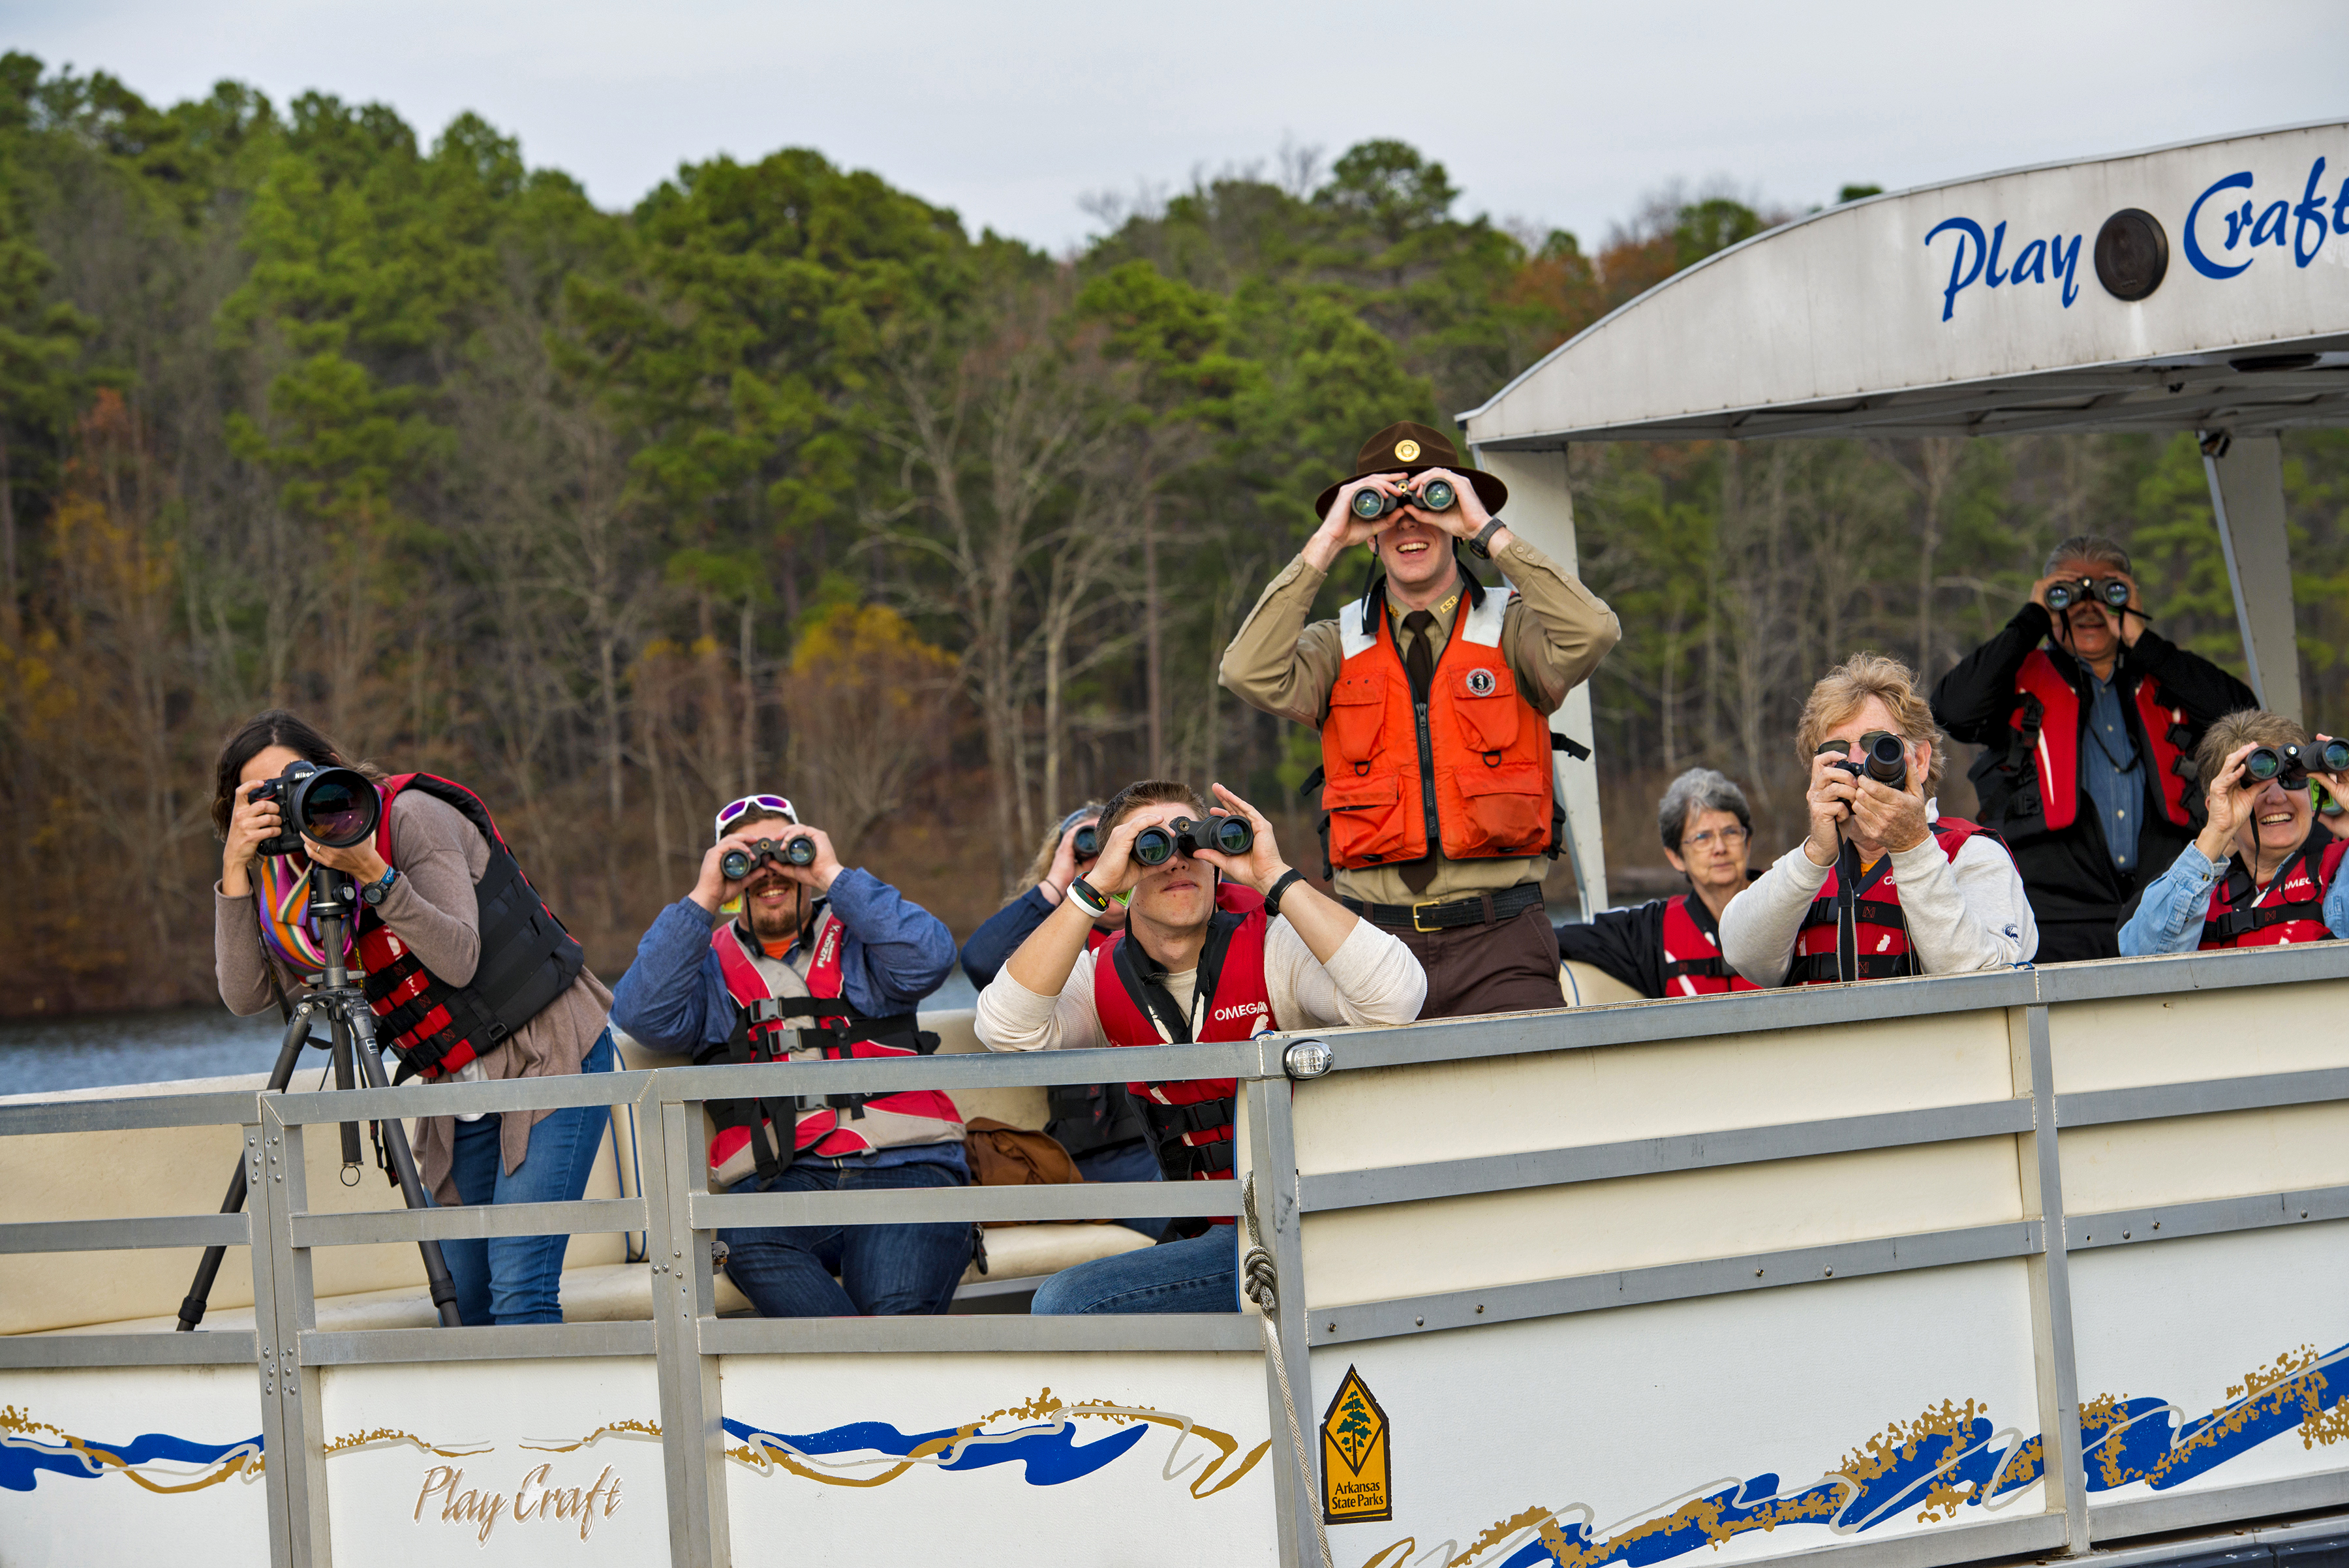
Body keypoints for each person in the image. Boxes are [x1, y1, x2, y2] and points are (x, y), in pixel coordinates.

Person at [212, 710, 614, 1326]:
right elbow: (245, 996)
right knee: (466, 1300)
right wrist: (236, 869)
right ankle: (491, 1426)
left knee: (519, 1289)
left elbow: (458, 958)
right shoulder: (284, 884)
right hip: (454, 1084)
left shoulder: (409, 817)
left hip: (547, 1047)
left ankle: (550, 1426)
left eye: (298, 780)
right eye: (263, 794)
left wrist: (372, 872)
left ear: (332, 770)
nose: (287, 802)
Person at [974, 780, 1426, 1314]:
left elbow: (1396, 999)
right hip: (1213, 1231)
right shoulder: (1099, 979)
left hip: (1306, 1226)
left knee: (1065, 1304)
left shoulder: (1274, 947)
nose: (1175, 862)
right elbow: (1005, 1029)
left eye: (1191, 844)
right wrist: (1093, 888)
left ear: (1215, 859)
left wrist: (1274, 876)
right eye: (1150, 848)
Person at [1220, 421, 1620, 1018]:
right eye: (1386, 509)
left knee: (1532, 1100)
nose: (1408, 522)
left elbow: (1594, 630)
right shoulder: (1337, 645)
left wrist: (1487, 530)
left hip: (1502, 939)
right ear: (1368, 536)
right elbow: (1246, 671)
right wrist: (1327, 541)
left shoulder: (1513, 631)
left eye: (1431, 502)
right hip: (1374, 943)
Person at [609, 793, 966, 1317]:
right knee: (745, 1241)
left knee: (894, 1305)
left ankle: (850, 1379)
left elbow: (933, 957)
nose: (769, 869)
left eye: (785, 850)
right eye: (747, 856)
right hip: (785, 1179)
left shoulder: (864, 941)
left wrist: (832, 873)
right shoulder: (705, 971)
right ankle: (861, 1378)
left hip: (906, 1165)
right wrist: (705, 896)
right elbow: (639, 1014)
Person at [1931, 534, 2256, 961]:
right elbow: (1952, 708)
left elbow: (2243, 718)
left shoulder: (2166, 675)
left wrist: (2142, 637)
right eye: (2068, 591)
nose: (2089, 605)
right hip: (2050, 915)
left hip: (2160, 910)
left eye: (2108, 590)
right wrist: (2033, 617)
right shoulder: (2014, 680)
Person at [1721, 654, 2038, 985]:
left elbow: (1983, 981)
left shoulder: (1972, 855)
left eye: (1879, 745)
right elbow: (1743, 955)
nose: (1858, 763)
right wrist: (1814, 855)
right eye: (1838, 750)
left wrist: (1911, 847)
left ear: (1919, 759)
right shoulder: (1808, 869)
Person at [960, 803, 1167, 1238]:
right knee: (1191, 1216)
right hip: (1102, 1155)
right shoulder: (1056, 959)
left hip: (1172, 1138)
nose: (1102, 863)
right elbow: (981, 961)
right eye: (1086, 851)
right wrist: (1060, 882)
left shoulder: (1168, 936)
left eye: (1118, 848)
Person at [2119, 711, 2349, 954]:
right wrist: (2215, 835)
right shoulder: (2193, 891)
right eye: (2252, 784)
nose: (2277, 797)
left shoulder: (2340, 869)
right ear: (2217, 805)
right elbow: (2142, 960)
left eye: (2292, 778)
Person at [1556, 768, 1760, 998]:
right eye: (1703, 837)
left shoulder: (1796, 902)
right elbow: (1553, 942)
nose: (1720, 848)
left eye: (1730, 832)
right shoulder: (1650, 934)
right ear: (1676, 857)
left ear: (1747, 842)